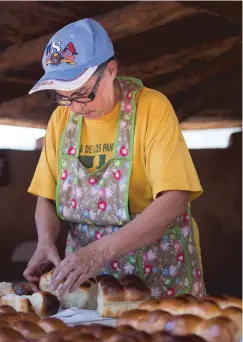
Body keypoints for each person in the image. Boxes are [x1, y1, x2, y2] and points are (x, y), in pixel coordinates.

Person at [24, 18, 205, 299]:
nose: (75, 108)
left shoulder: (152, 108)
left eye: (83, 94)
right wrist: (45, 241)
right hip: (87, 281)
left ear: (111, 70)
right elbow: (46, 196)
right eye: (63, 97)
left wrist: (101, 251)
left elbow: (174, 198)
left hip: (157, 276)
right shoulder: (61, 119)